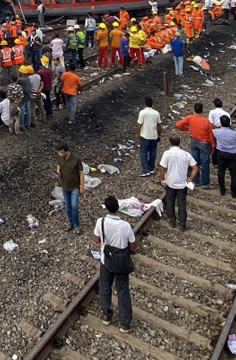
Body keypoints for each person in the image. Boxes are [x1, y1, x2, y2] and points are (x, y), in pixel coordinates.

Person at [93, 196, 135, 332]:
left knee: (105, 288)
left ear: (106, 208)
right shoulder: (125, 225)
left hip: (106, 261)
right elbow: (132, 243)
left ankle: (106, 315)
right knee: (123, 290)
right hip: (121, 263)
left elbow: (96, 240)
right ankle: (125, 323)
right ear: (118, 208)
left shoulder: (101, 222)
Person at [158, 135, 199, 231]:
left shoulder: (167, 154)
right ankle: (182, 224)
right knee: (182, 204)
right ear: (179, 143)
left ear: (170, 142)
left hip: (170, 182)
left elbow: (163, 168)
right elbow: (195, 168)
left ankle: (172, 221)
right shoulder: (186, 154)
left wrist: (161, 179)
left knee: (170, 202)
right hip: (182, 184)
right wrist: (190, 178)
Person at [176, 102, 215, 188]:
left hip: (194, 141)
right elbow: (210, 135)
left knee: (194, 162)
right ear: (202, 110)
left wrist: (186, 129)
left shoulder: (190, 118)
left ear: (194, 110)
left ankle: (195, 181)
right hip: (204, 143)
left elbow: (178, 125)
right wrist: (212, 146)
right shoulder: (206, 121)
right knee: (205, 163)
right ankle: (205, 183)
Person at [56, 142, 84, 233]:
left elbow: (81, 172)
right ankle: (70, 223)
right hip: (65, 186)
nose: (60, 154)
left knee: (74, 206)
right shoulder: (60, 157)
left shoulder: (76, 159)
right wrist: (58, 173)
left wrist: (82, 186)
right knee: (68, 207)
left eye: (61, 153)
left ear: (66, 151)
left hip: (75, 186)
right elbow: (59, 165)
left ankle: (77, 225)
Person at [213, 115, 236, 198]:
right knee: (233, 174)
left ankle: (222, 190)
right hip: (232, 154)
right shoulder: (234, 133)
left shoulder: (216, 132)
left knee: (221, 172)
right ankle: (233, 192)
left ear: (221, 123)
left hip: (221, 154)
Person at [137, 97, 162, 177]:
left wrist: (137, 133)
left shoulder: (142, 113)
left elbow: (140, 124)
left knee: (144, 152)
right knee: (152, 152)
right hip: (154, 135)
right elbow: (159, 125)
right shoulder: (156, 113)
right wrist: (159, 134)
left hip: (145, 135)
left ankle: (145, 170)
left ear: (145, 103)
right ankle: (151, 168)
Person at [16, 65, 33, 130]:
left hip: (22, 97)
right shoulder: (28, 78)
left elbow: (16, 87)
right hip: (28, 96)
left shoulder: (20, 79)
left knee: (22, 111)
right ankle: (28, 124)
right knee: (28, 111)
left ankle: (22, 125)